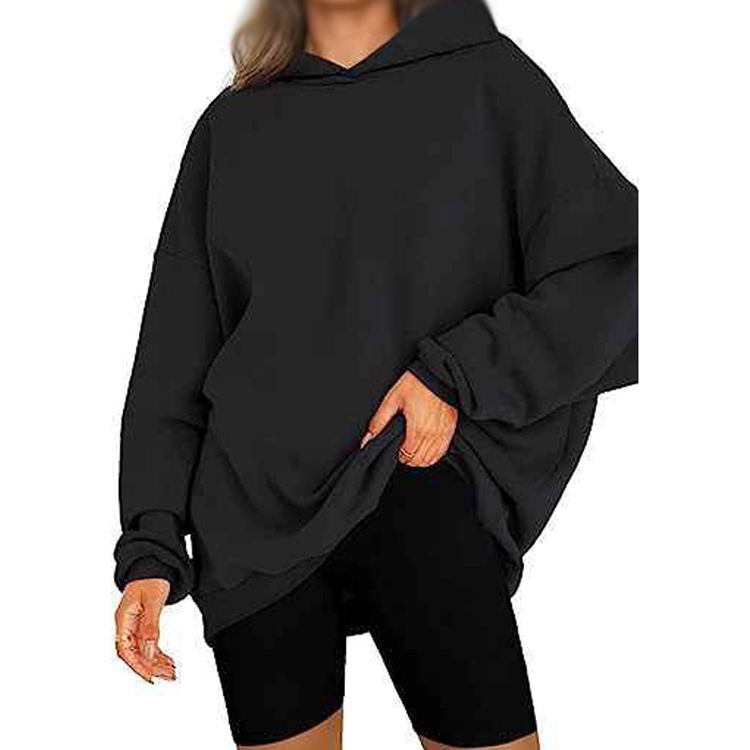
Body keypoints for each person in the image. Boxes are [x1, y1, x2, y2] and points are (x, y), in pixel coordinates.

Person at [113, 0, 638, 748]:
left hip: (418, 483)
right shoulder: (232, 126)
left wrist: (456, 375)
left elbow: (616, 270)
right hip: (249, 520)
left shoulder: (489, 82)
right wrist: (152, 547)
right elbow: (173, 358)